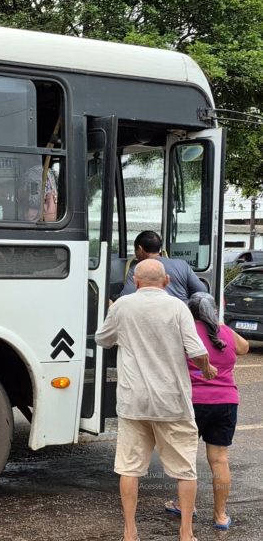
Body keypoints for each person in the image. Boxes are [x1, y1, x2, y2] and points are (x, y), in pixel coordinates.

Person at [95, 258, 217, 541]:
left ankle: (130, 532)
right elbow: (195, 350)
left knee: (129, 468)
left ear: (136, 282)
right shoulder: (178, 307)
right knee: (185, 470)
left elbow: (103, 339)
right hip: (172, 402)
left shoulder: (123, 306)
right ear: (166, 281)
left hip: (133, 401)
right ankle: (186, 533)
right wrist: (207, 367)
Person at [164, 292, 249, 530]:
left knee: (186, 459)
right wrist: (220, 326)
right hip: (226, 402)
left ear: (189, 312)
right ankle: (220, 515)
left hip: (193, 403)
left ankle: (184, 506)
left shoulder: (185, 332)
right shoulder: (226, 333)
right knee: (220, 460)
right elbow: (244, 348)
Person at [119, 231, 207, 302]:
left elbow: (126, 298)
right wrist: (186, 303)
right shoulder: (182, 264)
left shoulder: (136, 269)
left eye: (135, 250)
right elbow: (202, 291)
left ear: (140, 249)